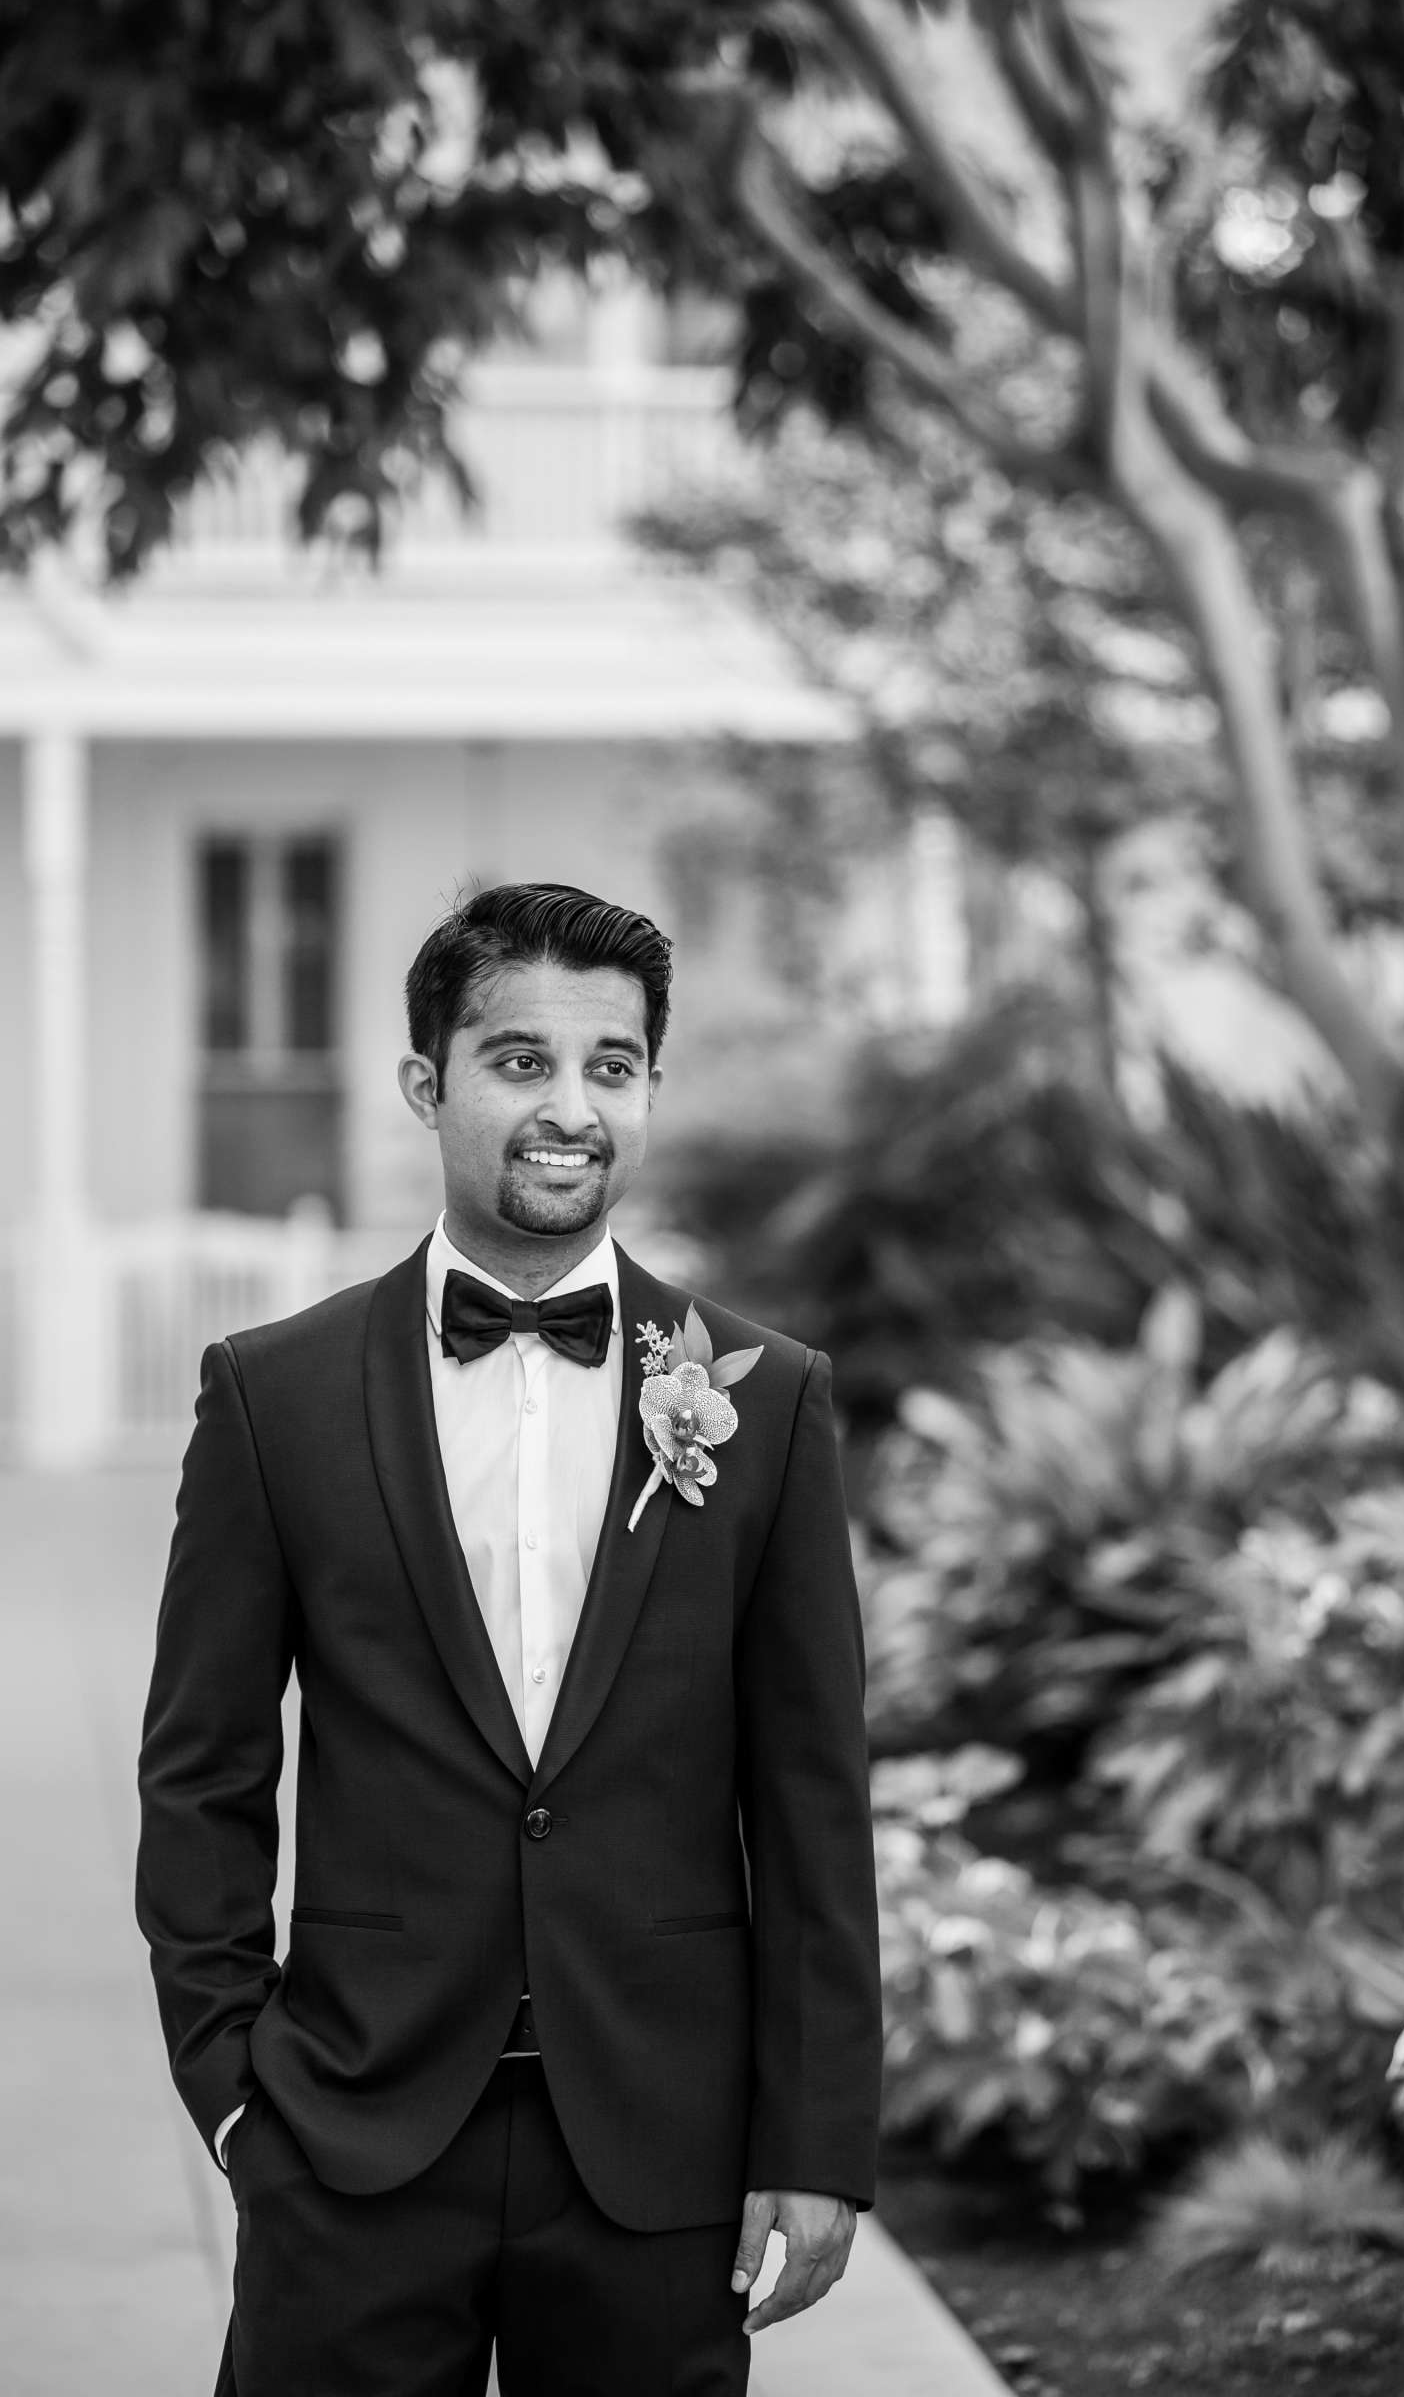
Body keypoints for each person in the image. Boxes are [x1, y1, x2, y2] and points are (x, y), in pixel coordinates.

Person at [136, 881, 882, 2397]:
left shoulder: (770, 1398)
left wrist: (815, 2141)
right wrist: (234, 2094)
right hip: (353, 2140)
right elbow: (202, 1769)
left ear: (651, 1091)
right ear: (431, 1085)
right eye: (520, 1060)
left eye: (611, 1067)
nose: (570, 1108)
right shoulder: (272, 1395)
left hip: (658, 2152)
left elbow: (811, 1797)